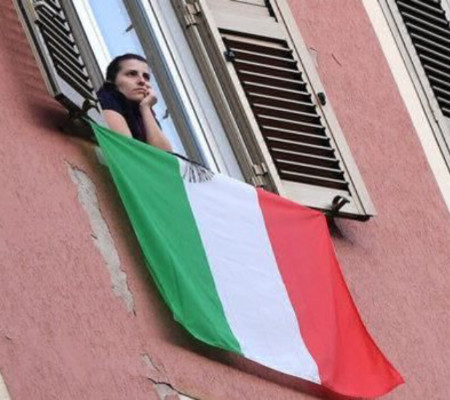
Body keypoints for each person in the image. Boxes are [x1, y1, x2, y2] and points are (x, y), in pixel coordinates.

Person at [97, 53, 172, 151]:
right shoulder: (107, 98)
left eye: (146, 77)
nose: (142, 81)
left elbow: (165, 156)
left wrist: (145, 108)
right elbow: (126, 149)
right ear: (111, 81)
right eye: (132, 74)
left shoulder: (142, 111)